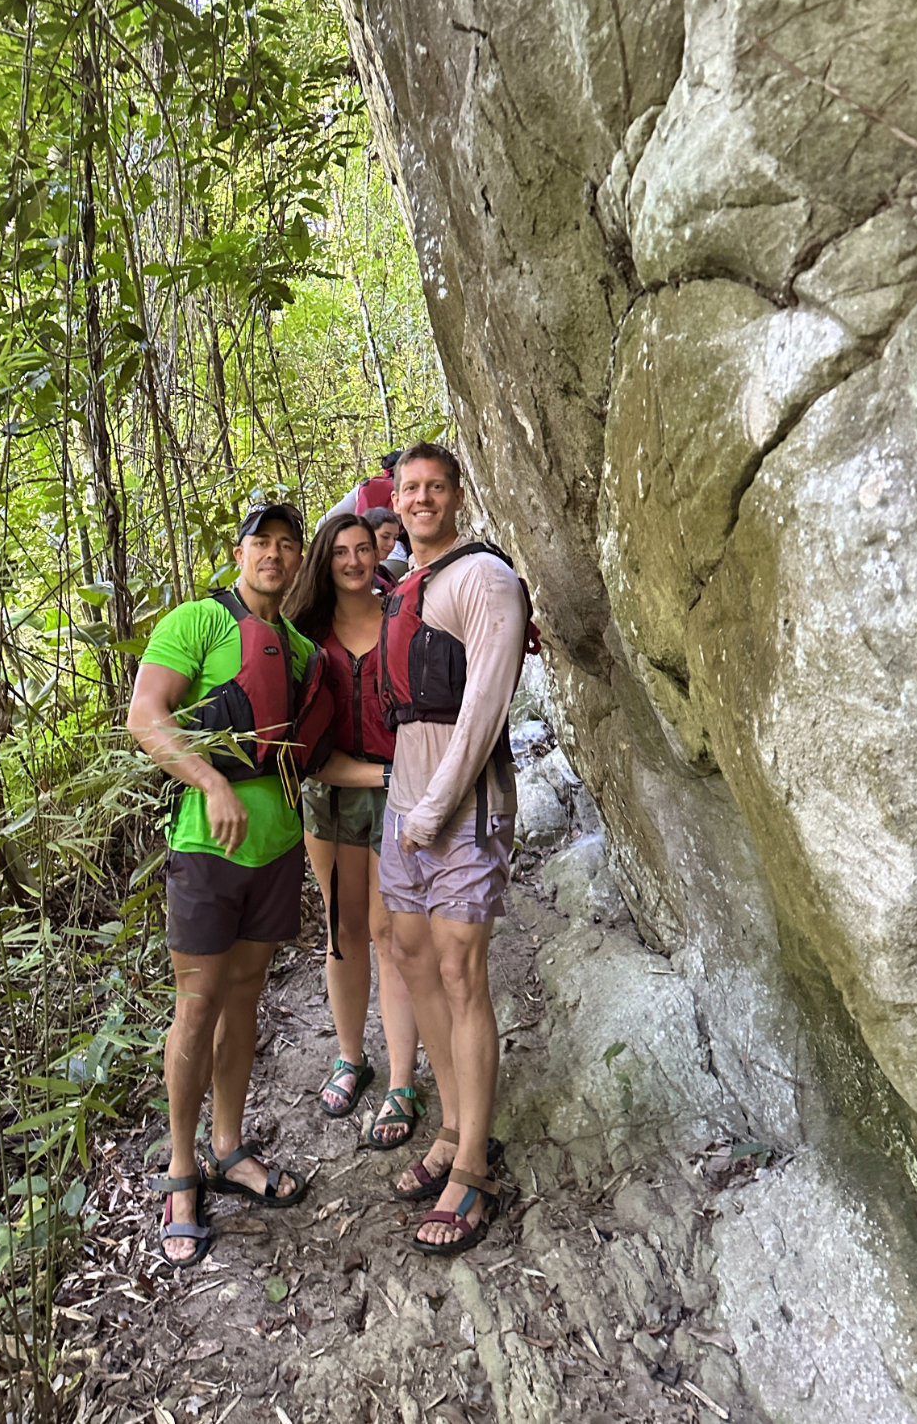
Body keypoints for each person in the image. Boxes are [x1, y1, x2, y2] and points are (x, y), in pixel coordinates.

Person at [126, 504, 381, 1268]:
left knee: (243, 1000)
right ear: (238, 552)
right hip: (206, 850)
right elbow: (146, 716)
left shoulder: (301, 650)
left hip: (274, 850)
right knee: (197, 1004)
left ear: (299, 561)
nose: (273, 554)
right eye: (260, 542)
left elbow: (312, 755)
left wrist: (395, 774)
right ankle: (181, 1172)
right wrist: (210, 782)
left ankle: (228, 1148)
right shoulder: (198, 622)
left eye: (286, 544)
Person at [377, 442, 532, 1255]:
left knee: (459, 970)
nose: (421, 499)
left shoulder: (484, 578)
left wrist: (435, 808)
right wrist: (407, 810)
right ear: (395, 498)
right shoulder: (407, 583)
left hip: (464, 807)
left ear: (457, 495)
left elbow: (484, 705)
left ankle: (473, 1165)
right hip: (403, 806)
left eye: (434, 487)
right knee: (411, 958)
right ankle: (448, 1126)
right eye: (409, 488)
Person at [284, 516, 423, 1147]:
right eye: (340, 551)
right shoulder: (305, 635)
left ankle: (401, 1080)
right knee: (343, 931)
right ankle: (350, 1056)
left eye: (363, 548)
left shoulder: (400, 615)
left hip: (397, 797)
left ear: (379, 553)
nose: (354, 560)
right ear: (325, 559)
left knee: (390, 933)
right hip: (333, 794)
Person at [362, 505, 407, 587]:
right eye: (385, 537)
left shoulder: (384, 572)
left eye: (395, 538)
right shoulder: (358, 574)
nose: (391, 544)